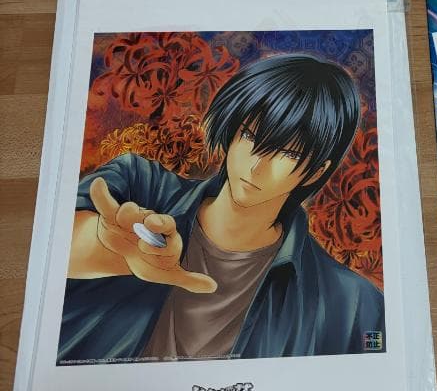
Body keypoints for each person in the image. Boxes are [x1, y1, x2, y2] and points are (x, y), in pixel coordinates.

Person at [61, 55, 384, 363]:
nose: (257, 166)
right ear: (232, 132)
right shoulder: (139, 184)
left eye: (288, 154)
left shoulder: (350, 303)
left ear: (315, 172)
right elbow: (58, 247)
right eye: (250, 136)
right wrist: (108, 251)